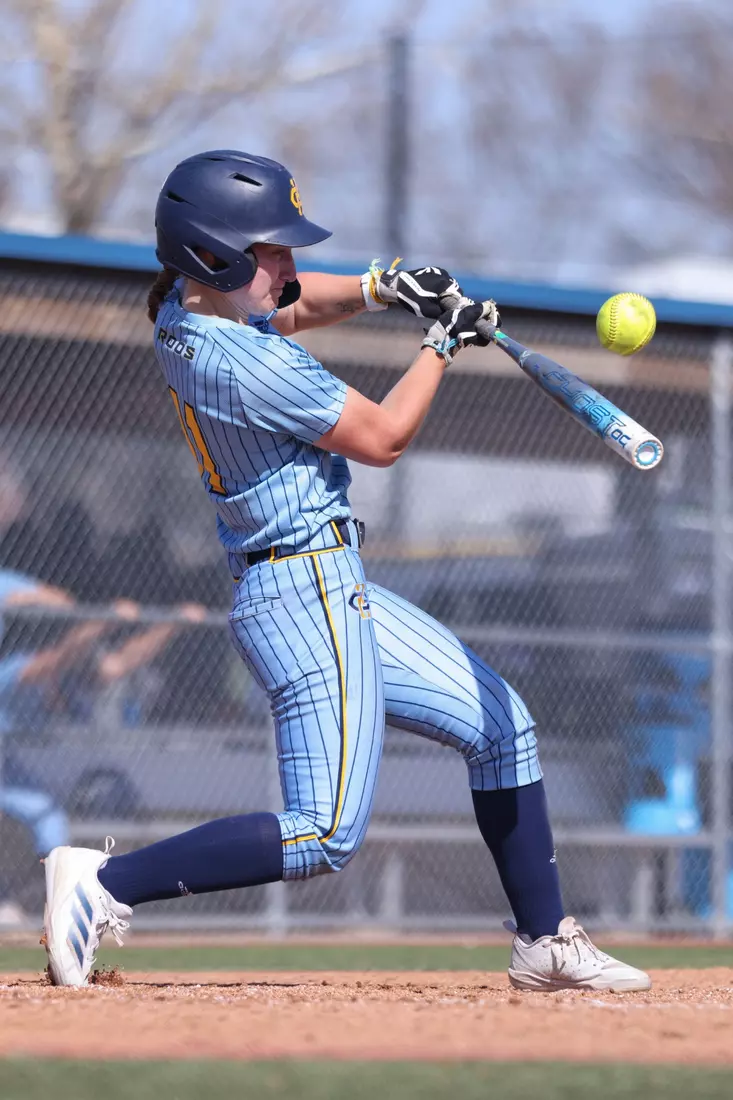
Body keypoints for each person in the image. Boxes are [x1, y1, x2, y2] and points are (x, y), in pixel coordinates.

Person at [42, 150, 650, 991]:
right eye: (270, 251)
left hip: (327, 581)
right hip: (300, 594)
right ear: (211, 255)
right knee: (323, 834)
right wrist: (442, 342)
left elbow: (290, 306)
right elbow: (382, 438)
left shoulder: (194, 316)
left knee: (501, 725)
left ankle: (543, 940)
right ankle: (104, 884)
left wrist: (384, 286)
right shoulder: (239, 360)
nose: (288, 267)